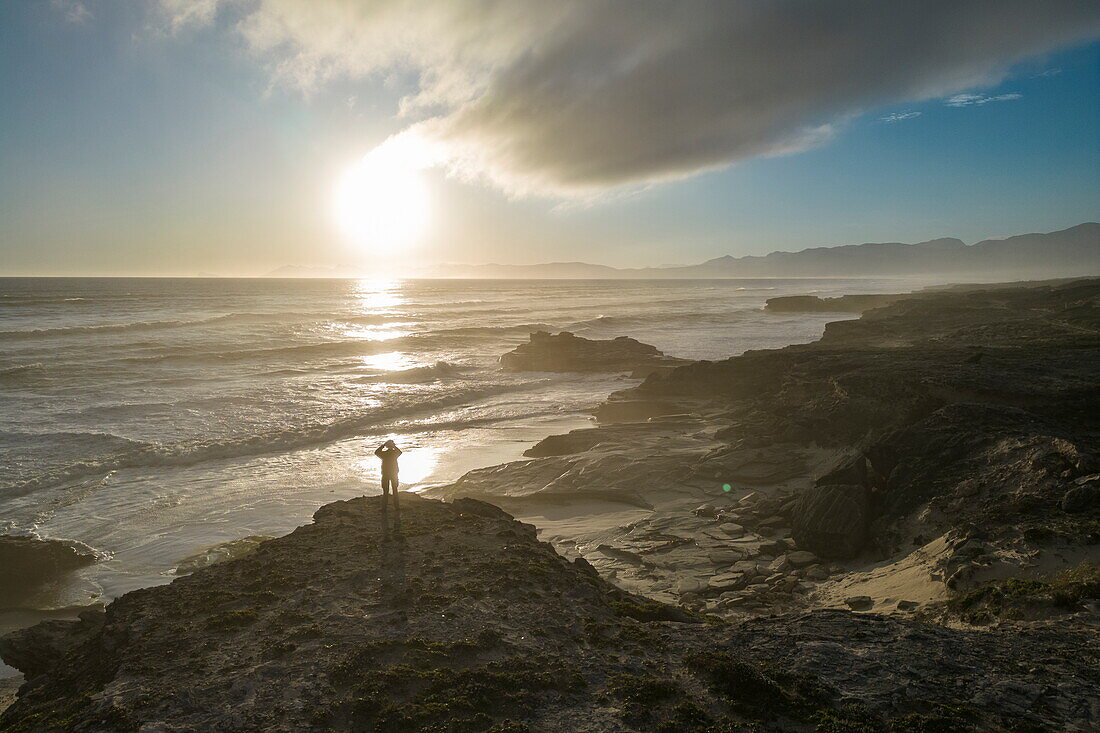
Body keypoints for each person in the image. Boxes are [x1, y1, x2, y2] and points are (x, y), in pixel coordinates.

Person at [374, 440, 403, 519]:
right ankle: (397, 507)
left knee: (385, 491)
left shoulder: (384, 454)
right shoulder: (394, 453)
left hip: (386, 474)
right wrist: (393, 446)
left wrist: (382, 446)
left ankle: (384, 508)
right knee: (395, 490)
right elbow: (400, 452)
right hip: (393, 473)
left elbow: (376, 452)